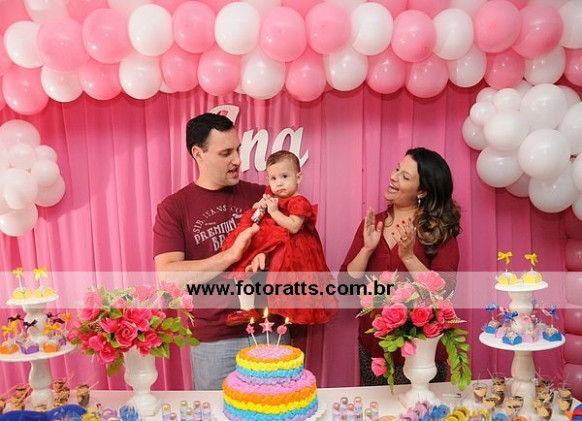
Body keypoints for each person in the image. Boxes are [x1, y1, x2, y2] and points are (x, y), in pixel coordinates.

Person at [153, 112, 289, 390]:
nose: (237, 160)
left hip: (269, 331)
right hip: (214, 342)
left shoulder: (263, 197)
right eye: (226, 153)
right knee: (216, 410)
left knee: (281, 407)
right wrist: (230, 255)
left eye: (237, 150)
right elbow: (168, 276)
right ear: (198, 153)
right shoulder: (174, 207)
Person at [340, 147, 461, 386]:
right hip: (375, 350)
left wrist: (408, 257)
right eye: (397, 169)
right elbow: (345, 287)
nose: (394, 177)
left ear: (422, 191)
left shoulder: (438, 231)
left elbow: (444, 291)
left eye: (405, 176)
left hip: (423, 352)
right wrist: (366, 250)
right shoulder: (373, 224)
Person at [221, 150, 337, 326]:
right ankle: (247, 308)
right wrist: (260, 205)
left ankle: (285, 310)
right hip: (270, 240)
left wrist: (274, 211)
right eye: (274, 178)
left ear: (298, 177)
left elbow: (294, 226)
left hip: (291, 247)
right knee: (242, 265)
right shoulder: (272, 196)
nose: (279, 183)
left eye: (284, 176)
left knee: (284, 281)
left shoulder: (299, 201)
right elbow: (258, 212)